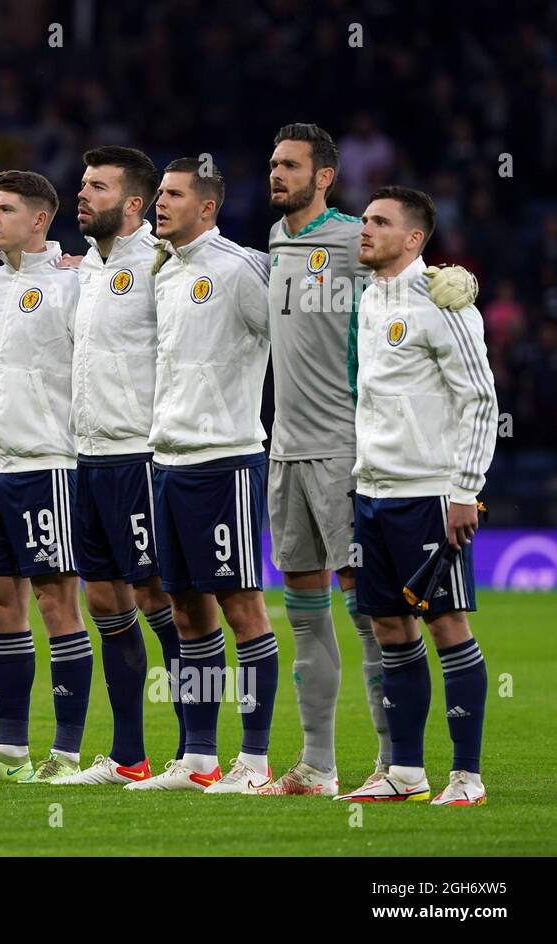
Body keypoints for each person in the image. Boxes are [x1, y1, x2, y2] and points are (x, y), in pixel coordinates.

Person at [259, 124, 480, 796]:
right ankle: (317, 765)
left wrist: (459, 279)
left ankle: (393, 761)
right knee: (302, 609)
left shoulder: (357, 238)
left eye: (290, 165)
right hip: (285, 450)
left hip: (347, 453)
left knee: (375, 615)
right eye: (272, 163)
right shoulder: (275, 242)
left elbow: (419, 276)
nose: (275, 174)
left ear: (323, 176)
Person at [336, 187, 496, 806]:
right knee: (388, 626)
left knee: (446, 624)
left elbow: (479, 399)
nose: (365, 230)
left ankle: (467, 776)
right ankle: (404, 771)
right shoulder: (372, 297)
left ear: (414, 238)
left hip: (429, 492)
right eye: (365, 219)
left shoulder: (441, 300)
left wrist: (465, 491)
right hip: (372, 490)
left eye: (379, 222)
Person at [128, 158, 278, 794]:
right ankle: (197, 760)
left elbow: (293, 344)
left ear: (208, 208)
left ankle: (256, 760)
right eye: (158, 193)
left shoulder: (239, 269)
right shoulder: (167, 274)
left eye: (174, 195)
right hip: (168, 462)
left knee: (242, 606)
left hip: (226, 461)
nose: (159, 203)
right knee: (187, 611)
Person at [0, 170, 87, 784]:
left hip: (47, 464)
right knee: (0, 603)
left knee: (58, 602)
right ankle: (9, 753)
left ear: (39, 221)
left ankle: (67, 752)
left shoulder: (75, 285)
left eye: (5, 208)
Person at [52, 147, 187, 786]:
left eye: (97, 187)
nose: (82, 195)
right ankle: (129, 756)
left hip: (140, 455)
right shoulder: (80, 271)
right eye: (82, 185)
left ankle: (198, 752)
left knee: (161, 597)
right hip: (88, 455)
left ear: (134, 203)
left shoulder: (163, 268)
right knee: (104, 599)